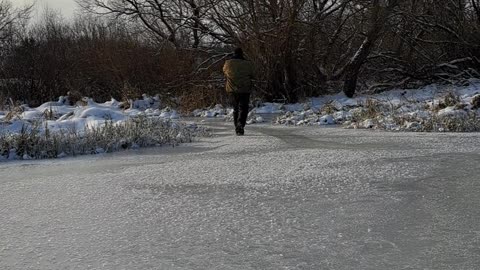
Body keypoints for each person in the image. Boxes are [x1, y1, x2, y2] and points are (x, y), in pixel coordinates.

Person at [223, 48, 254, 136]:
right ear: (242, 54)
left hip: (232, 89)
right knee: (243, 108)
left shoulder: (228, 63)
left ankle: (237, 126)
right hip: (245, 89)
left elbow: (225, 72)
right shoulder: (248, 63)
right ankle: (241, 124)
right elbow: (253, 74)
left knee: (236, 108)